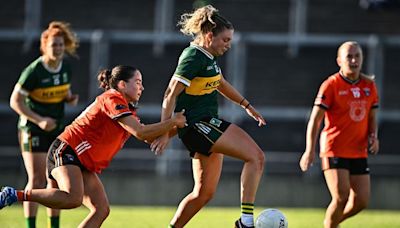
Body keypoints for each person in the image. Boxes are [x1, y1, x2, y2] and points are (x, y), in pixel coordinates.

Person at [1, 65, 187, 227]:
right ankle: (14, 194)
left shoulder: (126, 110)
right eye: (137, 82)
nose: (142, 87)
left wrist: (184, 126)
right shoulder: (112, 98)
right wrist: (173, 122)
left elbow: (148, 136)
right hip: (67, 150)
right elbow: (141, 132)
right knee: (73, 198)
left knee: (101, 210)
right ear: (122, 84)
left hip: (82, 161)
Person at [150, 5, 266, 228]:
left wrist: (246, 106)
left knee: (203, 194)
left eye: (230, 40)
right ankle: (246, 222)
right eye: (225, 40)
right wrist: (165, 131)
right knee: (256, 157)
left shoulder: (208, 57)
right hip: (199, 125)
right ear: (210, 35)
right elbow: (169, 94)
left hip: (203, 126)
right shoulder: (193, 56)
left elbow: (221, 83)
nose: (228, 45)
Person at [299, 41, 379, 228]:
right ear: (339, 61)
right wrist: (309, 150)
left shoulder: (369, 86)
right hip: (334, 149)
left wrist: (374, 136)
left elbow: (372, 116)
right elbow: (315, 120)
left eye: (357, 56)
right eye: (349, 56)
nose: (353, 60)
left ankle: (331, 224)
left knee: (361, 201)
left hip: (358, 150)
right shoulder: (331, 85)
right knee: (341, 196)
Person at [9, 21, 79, 228]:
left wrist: (68, 98)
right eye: (53, 45)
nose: (57, 48)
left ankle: (53, 226)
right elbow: (15, 101)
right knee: (38, 180)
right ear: (44, 46)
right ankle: (31, 225)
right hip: (33, 130)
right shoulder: (35, 71)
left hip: (56, 129)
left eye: (60, 44)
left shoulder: (65, 67)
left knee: (55, 182)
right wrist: (38, 120)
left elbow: (61, 89)